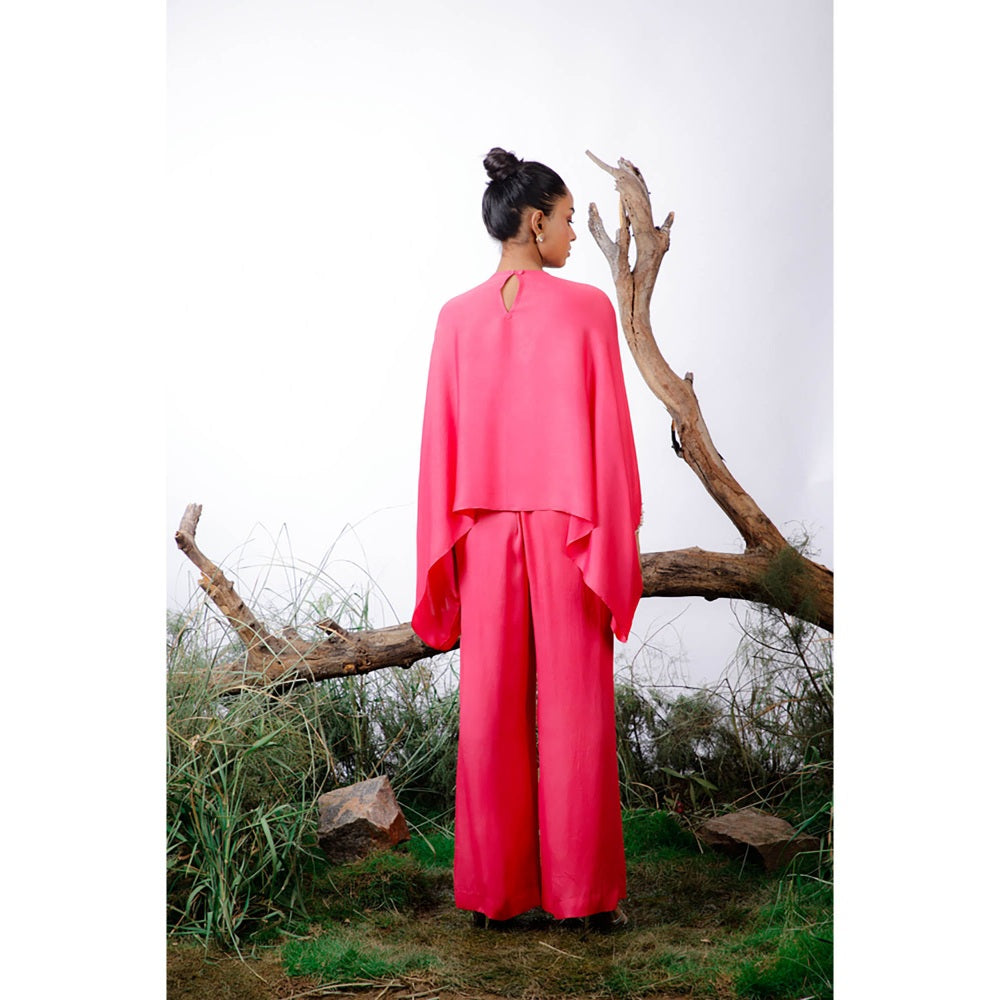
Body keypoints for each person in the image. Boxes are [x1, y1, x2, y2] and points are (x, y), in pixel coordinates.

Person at [412, 147, 642, 930]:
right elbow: (608, 430)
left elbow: (440, 443)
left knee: (489, 707)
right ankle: (585, 898)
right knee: (578, 706)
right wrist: (619, 523)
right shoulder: (588, 309)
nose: (575, 234)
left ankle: (494, 894)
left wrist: (442, 543)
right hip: (568, 527)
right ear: (535, 221)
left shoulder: (455, 317)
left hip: (481, 529)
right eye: (570, 219)